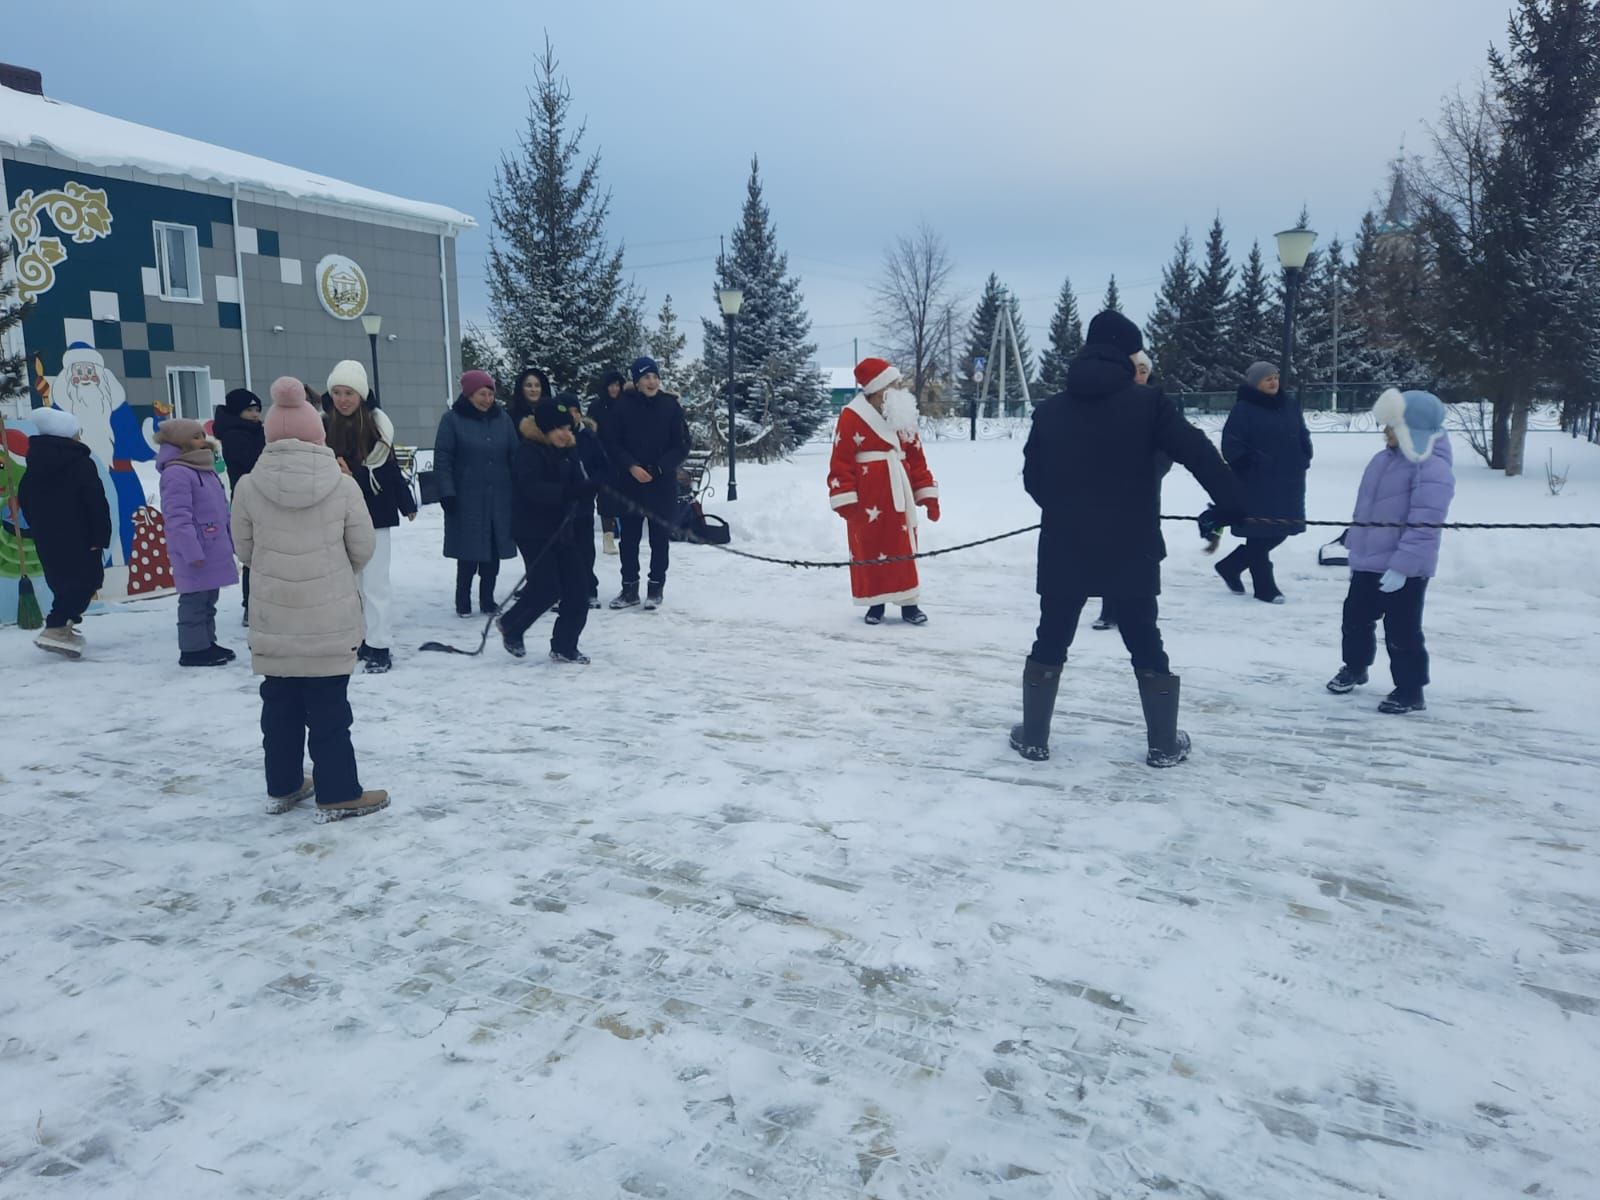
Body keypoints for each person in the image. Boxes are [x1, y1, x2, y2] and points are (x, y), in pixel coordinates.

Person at [1014, 311, 1244, 767]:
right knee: (1144, 638)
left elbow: (1033, 480)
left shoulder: (1051, 409)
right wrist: (1233, 504)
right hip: (1131, 542)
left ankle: (1034, 738)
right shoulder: (1149, 403)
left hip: (1065, 541)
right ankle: (1162, 744)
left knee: (1051, 638)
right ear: (1128, 353)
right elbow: (1197, 452)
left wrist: (1068, 508)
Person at [231, 377, 387, 822]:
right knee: (330, 711)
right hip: (329, 620)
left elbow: (244, 550)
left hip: (273, 619)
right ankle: (338, 791)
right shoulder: (341, 484)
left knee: (278, 709)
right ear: (317, 432)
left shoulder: (247, 486)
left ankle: (283, 784)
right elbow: (363, 547)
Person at [1327, 389, 1455, 715]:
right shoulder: (1382, 460)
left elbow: (1425, 525)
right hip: (1369, 562)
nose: (1384, 432)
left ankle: (1411, 690)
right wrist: (1354, 542)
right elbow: (1367, 509)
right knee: (1354, 620)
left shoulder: (1432, 469)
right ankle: (1355, 667)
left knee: (1401, 632)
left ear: (1413, 429)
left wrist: (1403, 567)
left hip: (1404, 571)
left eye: (1392, 426)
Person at [827, 357, 940, 625]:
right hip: (867, 496)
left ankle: (909, 604)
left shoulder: (903, 414)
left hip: (899, 492)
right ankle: (875, 604)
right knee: (869, 547)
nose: (900, 388)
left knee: (903, 545)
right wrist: (844, 496)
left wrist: (926, 493)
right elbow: (840, 459)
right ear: (878, 389)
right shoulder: (851, 416)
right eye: (894, 384)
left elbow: (916, 457)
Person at [323, 360, 416, 674]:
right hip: (337, 516)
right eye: (337, 392)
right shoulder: (323, 427)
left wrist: (406, 502)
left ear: (361, 395)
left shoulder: (377, 427)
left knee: (375, 584)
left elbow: (388, 470)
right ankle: (359, 638)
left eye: (349, 392)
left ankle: (379, 644)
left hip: (375, 515)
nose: (343, 399)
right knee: (350, 586)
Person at [497, 393, 605, 663]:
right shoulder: (528, 452)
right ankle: (512, 625)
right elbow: (532, 489)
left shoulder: (569, 451)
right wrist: (571, 492)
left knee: (578, 589)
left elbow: (580, 483)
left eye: (567, 428)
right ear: (545, 428)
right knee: (547, 587)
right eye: (558, 428)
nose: (564, 433)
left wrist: (593, 486)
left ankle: (564, 645)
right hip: (533, 530)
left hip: (563, 529)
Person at [16, 406, 110, 659]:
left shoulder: (34, 464)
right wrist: (100, 535)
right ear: (69, 436)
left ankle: (64, 625)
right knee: (87, 580)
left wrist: (38, 527)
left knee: (62, 580)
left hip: (48, 535)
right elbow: (95, 500)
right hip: (82, 534)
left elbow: (25, 497)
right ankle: (57, 625)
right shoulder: (80, 463)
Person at [1215, 361, 1312, 603]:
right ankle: (1264, 587)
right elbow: (1231, 443)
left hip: (1289, 479)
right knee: (1259, 533)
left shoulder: (1288, 404)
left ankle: (1230, 565)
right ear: (1255, 382)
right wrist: (1248, 462)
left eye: (1275, 377)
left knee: (1281, 530)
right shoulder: (1244, 409)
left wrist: (1304, 454)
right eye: (1267, 378)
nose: (1273, 382)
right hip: (1257, 481)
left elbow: (1302, 433)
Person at [603, 356, 690, 610]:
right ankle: (629, 588)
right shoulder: (622, 406)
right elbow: (612, 443)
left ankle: (656, 587)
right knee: (628, 539)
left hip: (661, 484)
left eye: (654, 376)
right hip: (630, 483)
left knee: (659, 538)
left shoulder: (670, 406)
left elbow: (682, 444)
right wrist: (631, 466)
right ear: (636, 381)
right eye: (645, 377)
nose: (651, 382)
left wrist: (660, 467)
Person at [434, 370, 518, 617]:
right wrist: (447, 492)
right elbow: (443, 458)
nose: (487, 399)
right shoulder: (452, 420)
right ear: (469, 394)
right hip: (466, 497)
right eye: (482, 393)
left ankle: (487, 599)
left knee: (493, 552)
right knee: (468, 552)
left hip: (499, 498)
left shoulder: (502, 420)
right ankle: (463, 599)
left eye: (491, 393)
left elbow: (515, 455)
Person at [1092, 351, 1165, 633]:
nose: (1140, 374)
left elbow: (1167, 448)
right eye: (1135, 368)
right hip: (1108, 491)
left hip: (1144, 492)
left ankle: (1144, 612)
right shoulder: (1106, 401)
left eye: (1145, 369)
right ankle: (1109, 609)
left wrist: (1147, 471)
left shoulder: (1158, 405)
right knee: (1110, 549)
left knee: (1145, 552)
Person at [156, 418, 238, 667]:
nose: (202, 440)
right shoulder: (176, 473)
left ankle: (206, 643)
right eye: (195, 437)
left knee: (208, 599)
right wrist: (191, 550)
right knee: (193, 600)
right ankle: (192, 650)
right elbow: (177, 516)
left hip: (212, 545)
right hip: (195, 549)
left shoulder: (203, 467)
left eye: (202, 435)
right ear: (179, 442)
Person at [214, 388, 265, 625]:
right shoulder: (235, 434)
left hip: (262, 496)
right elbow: (251, 463)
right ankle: (250, 604)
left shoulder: (256, 431)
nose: (255, 415)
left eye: (257, 410)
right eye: (249, 410)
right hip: (247, 499)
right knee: (253, 554)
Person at [589, 369, 626, 556]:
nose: (614, 389)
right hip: (604, 458)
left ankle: (625, 533)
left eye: (617, 385)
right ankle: (608, 537)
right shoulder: (597, 406)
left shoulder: (627, 405)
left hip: (625, 458)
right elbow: (591, 433)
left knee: (626, 496)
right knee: (606, 498)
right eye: (611, 385)